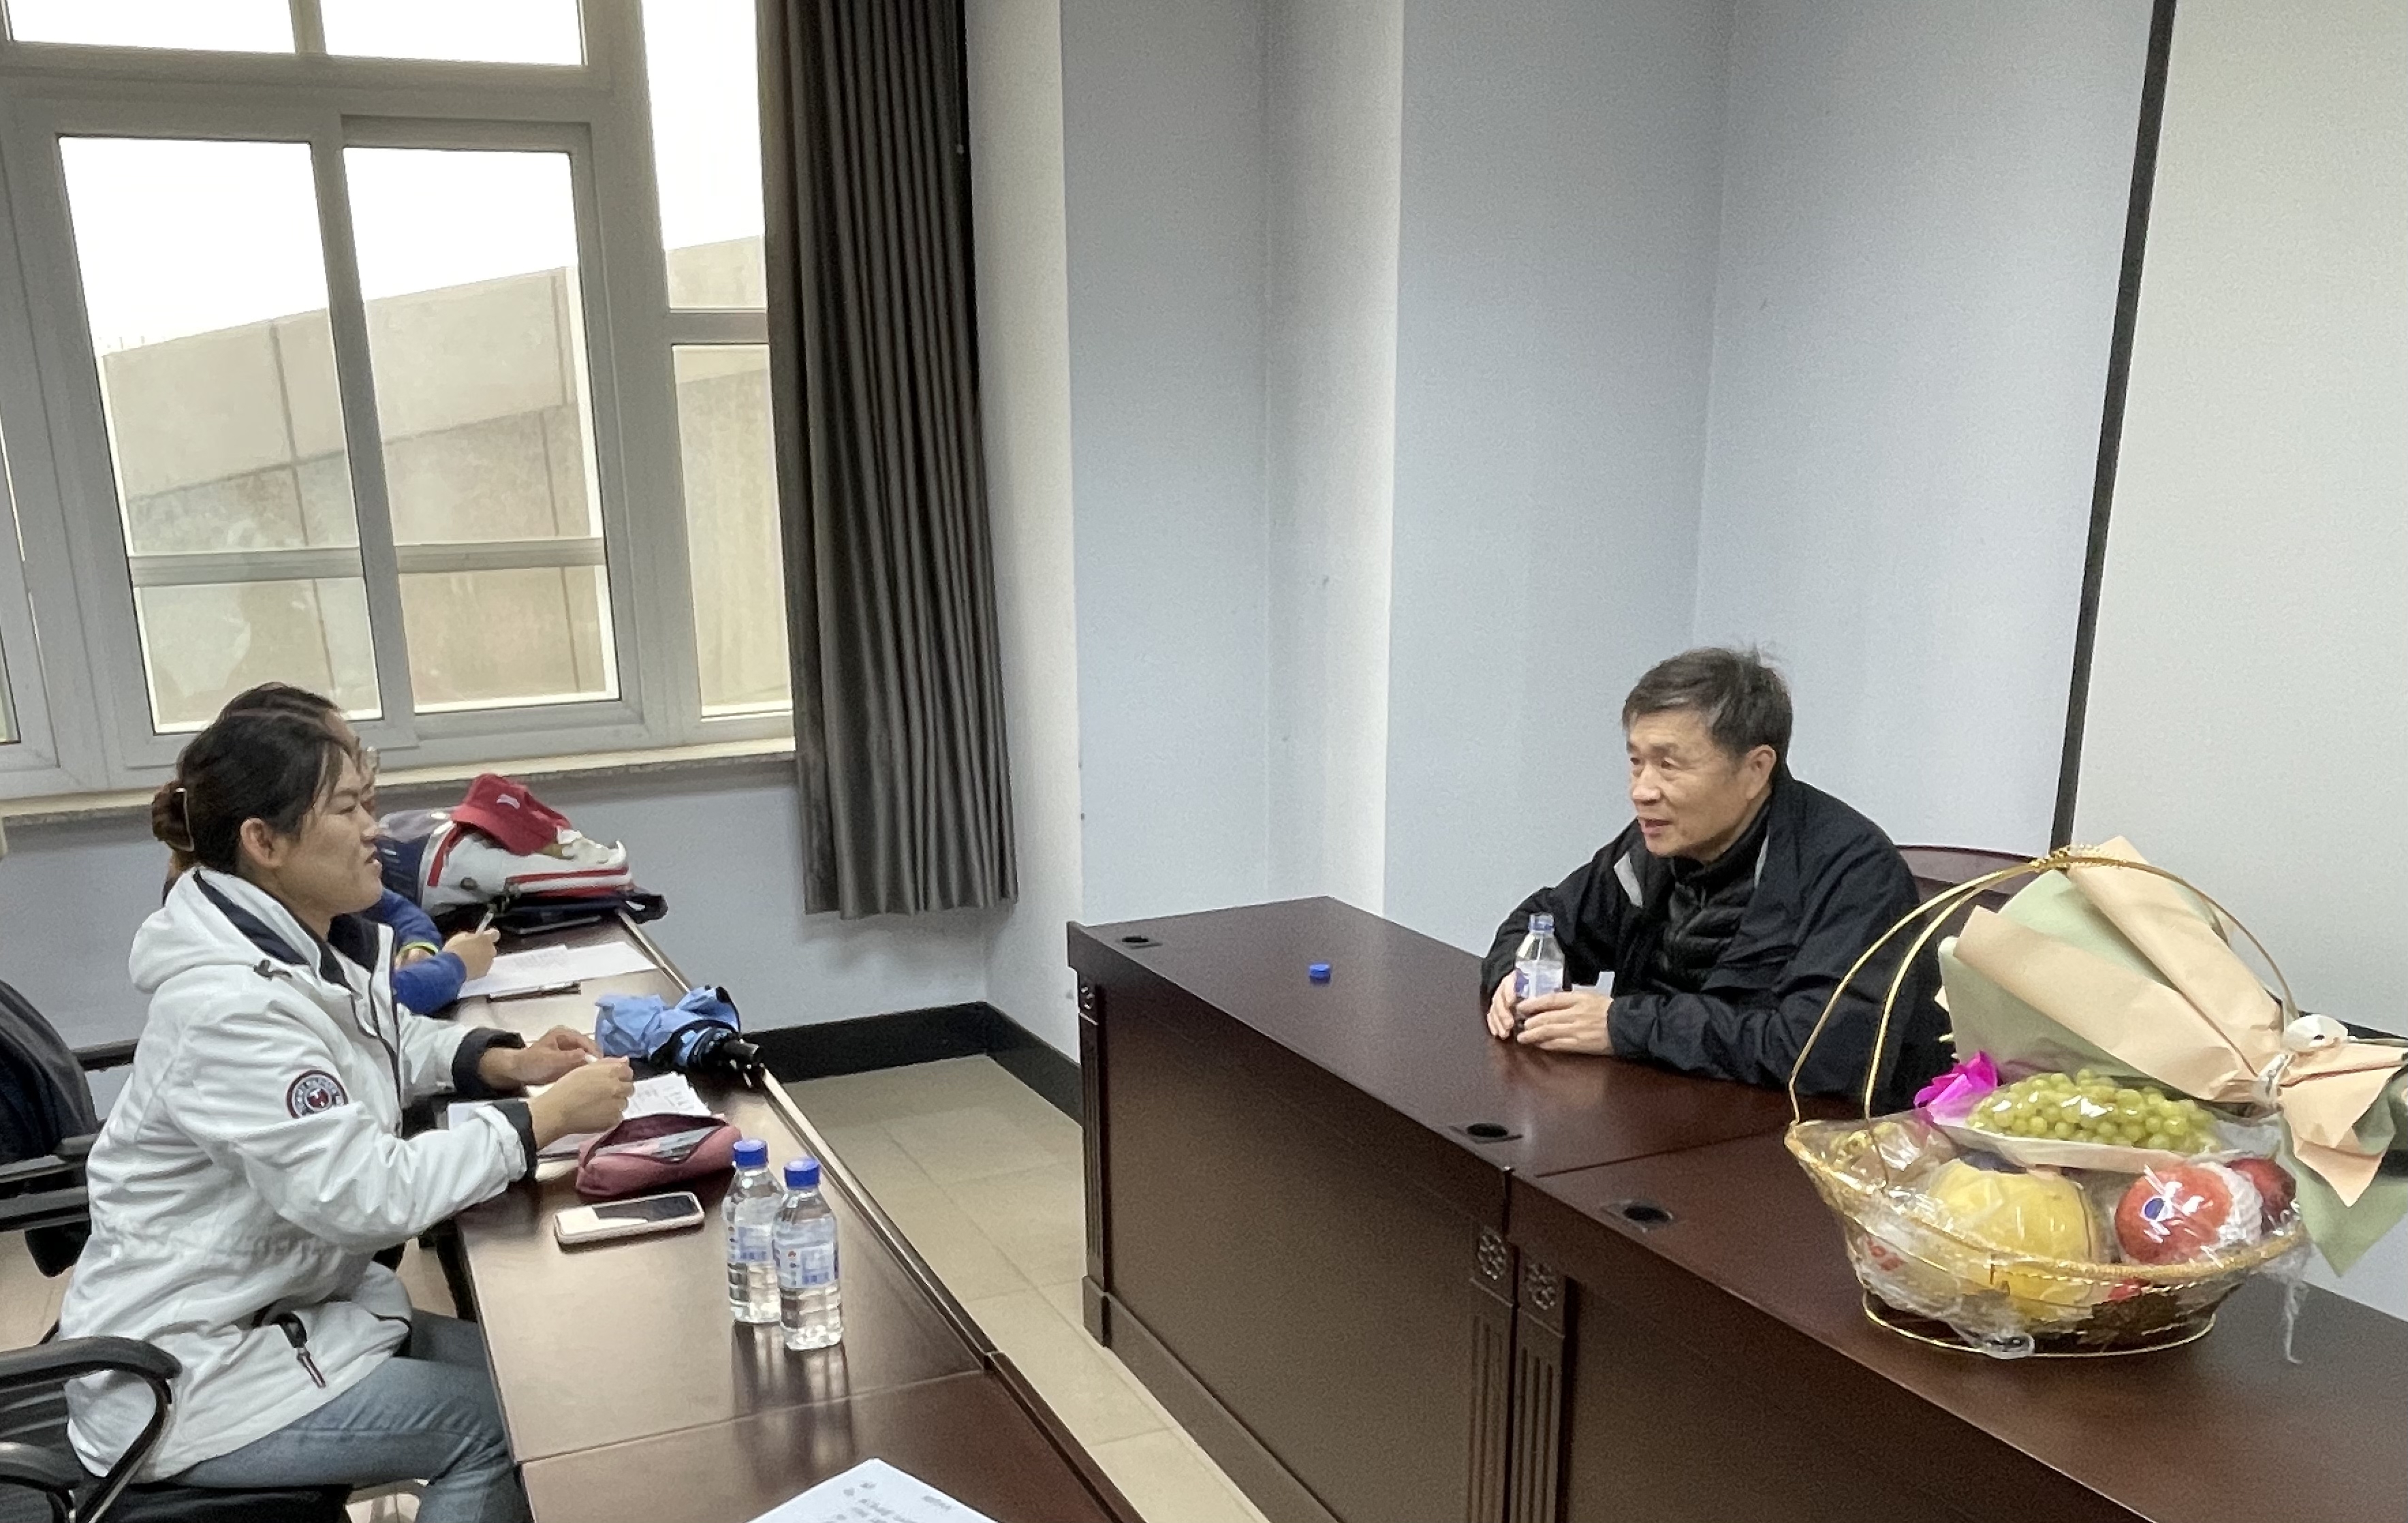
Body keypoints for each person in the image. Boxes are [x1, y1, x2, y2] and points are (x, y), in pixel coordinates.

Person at [57, 707, 634, 1520]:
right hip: (190, 1374)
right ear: (265, 841)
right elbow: (368, 1193)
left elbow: (378, 1034)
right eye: (348, 807)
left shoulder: (286, 943)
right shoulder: (228, 1009)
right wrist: (538, 1122)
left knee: (536, 1379)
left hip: (277, 1309)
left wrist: (497, 1060)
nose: (375, 830)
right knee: (496, 1429)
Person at [1480, 647, 1943, 1107]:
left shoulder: (1854, 869)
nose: (1641, 790)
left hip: (1793, 1133)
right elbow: (1542, 922)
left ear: (1755, 771)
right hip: (1658, 1113)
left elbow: (1823, 1053)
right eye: (1636, 762)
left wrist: (1626, 1025)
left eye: (1668, 765)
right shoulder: (1654, 845)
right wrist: (1515, 978)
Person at [208, 683, 497, 1015]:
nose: (364, 777)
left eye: (358, 757)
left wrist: (420, 948)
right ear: (264, 840)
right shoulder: (246, 971)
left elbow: (395, 914)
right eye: (344, 804)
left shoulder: (303, 894)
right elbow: (366, 1008)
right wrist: (455, 966)